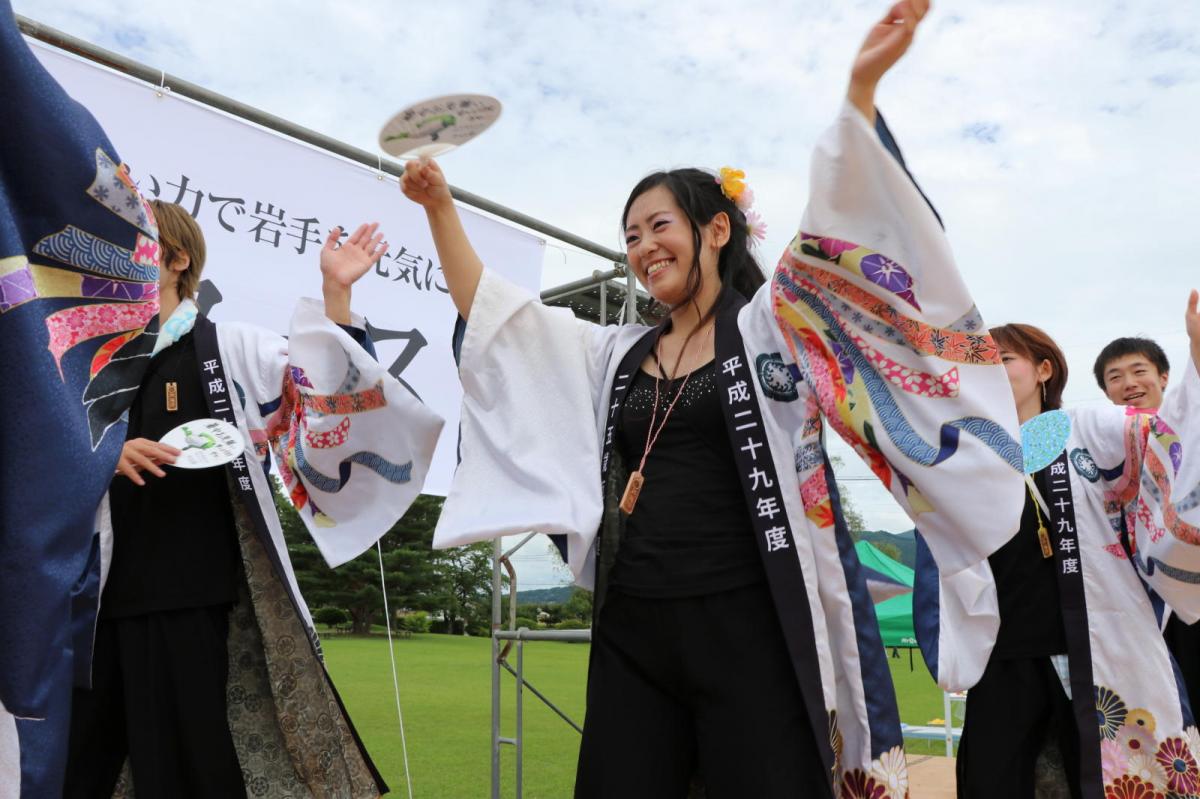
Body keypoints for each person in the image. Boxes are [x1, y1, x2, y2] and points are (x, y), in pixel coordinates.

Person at [404, 3, 1030, 796]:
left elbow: (842, 223)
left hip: (752, 613)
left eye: (657, 225)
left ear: (717, 230)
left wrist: (861, 91)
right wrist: (440, 210)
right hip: (636, 618)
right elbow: (505, 323)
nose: (641, 247)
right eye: (629, 235)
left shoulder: (773, 323)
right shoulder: (618, 353)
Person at [63, 201, 443, 797]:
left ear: (177, 259)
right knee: (76, 766)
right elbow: (39, 461)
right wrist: (103, 457)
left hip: (188, 591)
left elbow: (320, 401)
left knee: (186, 767)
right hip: (89, 600)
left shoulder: (228, 348)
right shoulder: (91, 364)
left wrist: (335, 295)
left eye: (135, 240)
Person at [916, 307, 1200, 797]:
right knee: (996, 780)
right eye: (979, 362)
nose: (990, 369)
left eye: (1003, 358)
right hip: (1004, 654)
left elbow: (1167, 441)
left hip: (1096, 645)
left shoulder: (1087, 427)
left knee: (1113, 779)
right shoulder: (963, 455)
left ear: (1044, 370)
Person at [1094, 337, 1200, 738]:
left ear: (1164, 376)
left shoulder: (1190, 435)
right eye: (1115, 377)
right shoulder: (1103, 454)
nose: (1129, 383)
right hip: (1142, 603)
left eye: (1139, 371)